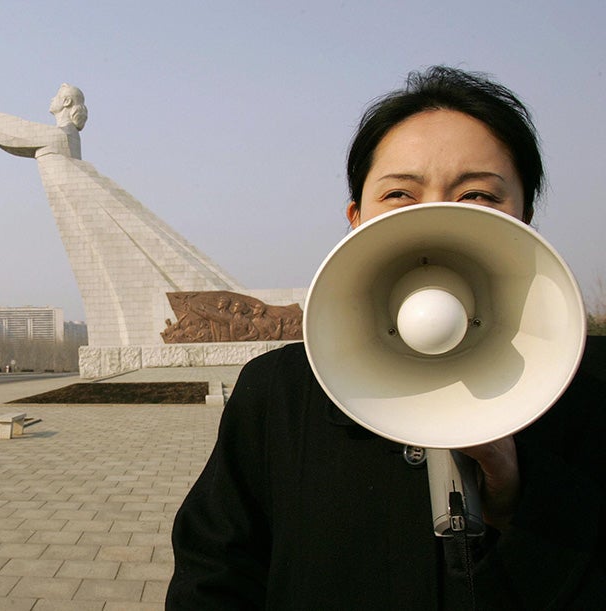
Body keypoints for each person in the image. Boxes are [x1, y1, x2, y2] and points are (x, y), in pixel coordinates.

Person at [167, 66, 606, 609]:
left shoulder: (591, 391)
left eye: (477, 194)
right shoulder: (279, 396)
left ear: (526, 218)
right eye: (400, 192)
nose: (436, 214)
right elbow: (214, 577)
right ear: (356, 218)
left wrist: (522, 503)